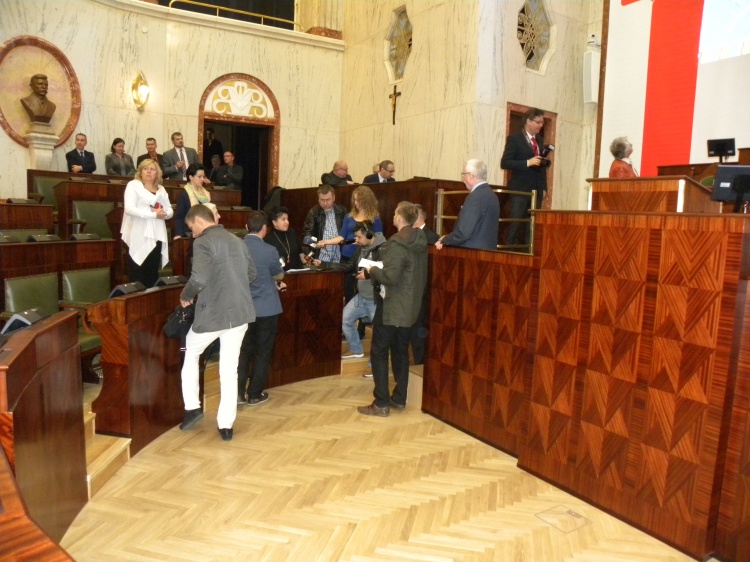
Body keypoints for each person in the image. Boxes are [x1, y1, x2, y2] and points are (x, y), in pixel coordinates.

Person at [178, 204, 256, 442]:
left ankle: (192, 407)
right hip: (240, 313)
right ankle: (226, 425)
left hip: (213, 313)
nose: (192, 233)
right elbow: (252, 274)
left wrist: (186, 295)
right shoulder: (237, 240)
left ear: (198, 221)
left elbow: (199, 278)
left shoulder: (202, 242)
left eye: (191, 228)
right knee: (229, 369)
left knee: (191, 352)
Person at [358, 202, 427, 416]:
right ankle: (399, 398)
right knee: (400, 352)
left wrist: (371, 270)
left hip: (393, 307)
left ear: (399, 217)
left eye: (395, 213)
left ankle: (381, 403)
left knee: (379, 352)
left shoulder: (397, 243)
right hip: (409, 308)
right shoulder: (420, 240)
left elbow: (390, 277)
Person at [237, 211, 285, 406]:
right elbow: (279, 274)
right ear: (265, 229)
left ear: (246, 227)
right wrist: (276, 281)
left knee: (243, 351)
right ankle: (254, 394)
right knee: (263, 352)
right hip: (267, 308)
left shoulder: (236, 248)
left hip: (243, 309)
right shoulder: (270, 250)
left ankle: (238, 393)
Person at [500, 108, 549, 247]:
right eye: (538, 122)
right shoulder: (514, 139)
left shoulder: (540, 140)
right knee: (515, 225)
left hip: (536, 191)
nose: (541, 125)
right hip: (519, 191)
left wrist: (543, 188)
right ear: (528, 121)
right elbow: (505, 163)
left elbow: (540, 167)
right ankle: (510, 252)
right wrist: (528, 162)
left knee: (531, 227)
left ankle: (528, 252)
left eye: (542, 122)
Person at [120, 159, 173, 288]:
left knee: (152, 271)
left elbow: (170, 210)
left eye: (152, 169)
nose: (149, 171)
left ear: (157, 173)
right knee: (137, 272)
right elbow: (129, 209)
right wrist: (153, 214)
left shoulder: (161, 189)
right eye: (145, 169)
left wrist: (165, 214)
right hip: (138, 233)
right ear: (140, 171)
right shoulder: (133, 185)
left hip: (156, 234)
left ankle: (150, 297)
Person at [341, 221, 386, 359]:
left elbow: (386, 269)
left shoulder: (384, 248)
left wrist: (367, 274)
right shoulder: (360, 249)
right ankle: (356, 350)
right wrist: (326, 265)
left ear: (369, 235)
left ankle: (376, 361)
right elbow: (348, 266)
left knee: (379, 333)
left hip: (375, 298)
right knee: (345, 320)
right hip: (361, 296)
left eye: (359, 237)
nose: (356, 240)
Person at [435, 159, 499, 251]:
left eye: (463, 174)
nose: (463, 179)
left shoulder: (475, 197)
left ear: (471, 176)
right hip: (488, 253)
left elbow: (463, 233)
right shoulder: (492, 195)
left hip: (472, 254)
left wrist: (445, 240)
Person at [316, 185, 382, 265]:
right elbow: (341, 237)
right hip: (346, 255)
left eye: (358, 200)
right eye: (355, 200)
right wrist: (326, 242)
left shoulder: (375, 218)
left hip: (365, 255)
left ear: (366, 200)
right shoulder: (348, 216)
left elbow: (379, 239)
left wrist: (364, 241)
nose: (356, 203)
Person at [302, 185, 347, 264]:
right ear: (318, 199)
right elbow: (307, 235)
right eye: (322, 200)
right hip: (320, 256)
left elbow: (346, 233)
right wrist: (316, 244)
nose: (325, 203)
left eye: (328, 200)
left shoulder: (341, 211)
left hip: (339, 255)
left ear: (333, 198)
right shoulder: (313, 212)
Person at [173, 163, 210, 239]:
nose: (202, 179)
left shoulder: (206, 194)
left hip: (205, 232)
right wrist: (178, 234)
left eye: (203, 176)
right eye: (199, 176)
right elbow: (179, 216)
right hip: (189, 233)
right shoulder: (184, 195)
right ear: (191, 177)